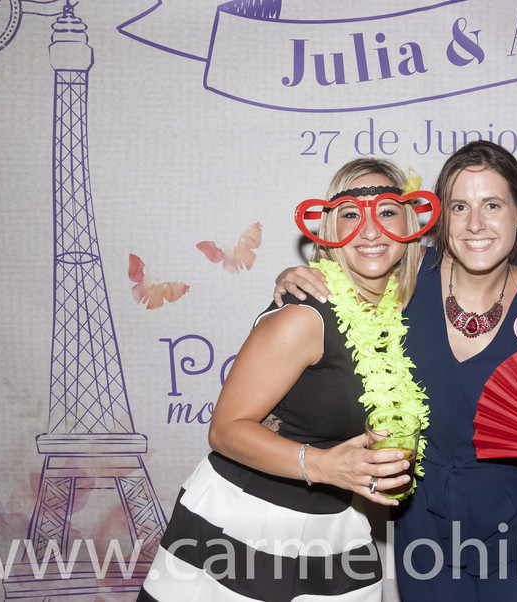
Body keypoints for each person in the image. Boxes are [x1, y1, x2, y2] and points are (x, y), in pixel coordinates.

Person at [274, 141, 517, 600]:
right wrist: (292, 276)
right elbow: (345, 268)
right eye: (459, 206)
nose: (475, 223)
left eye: (492, 205)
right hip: (423, 520)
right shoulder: (404, 276)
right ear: (440, 218)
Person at [138, 158, 439, 602]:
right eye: (351, 214)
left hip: (334, 525)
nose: (370, 230)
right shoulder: (303, 316)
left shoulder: (401, 308)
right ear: (330, 230)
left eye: (387, 212)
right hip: (248, 521)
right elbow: (225, 430)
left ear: (410, 224)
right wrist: (326, 466)